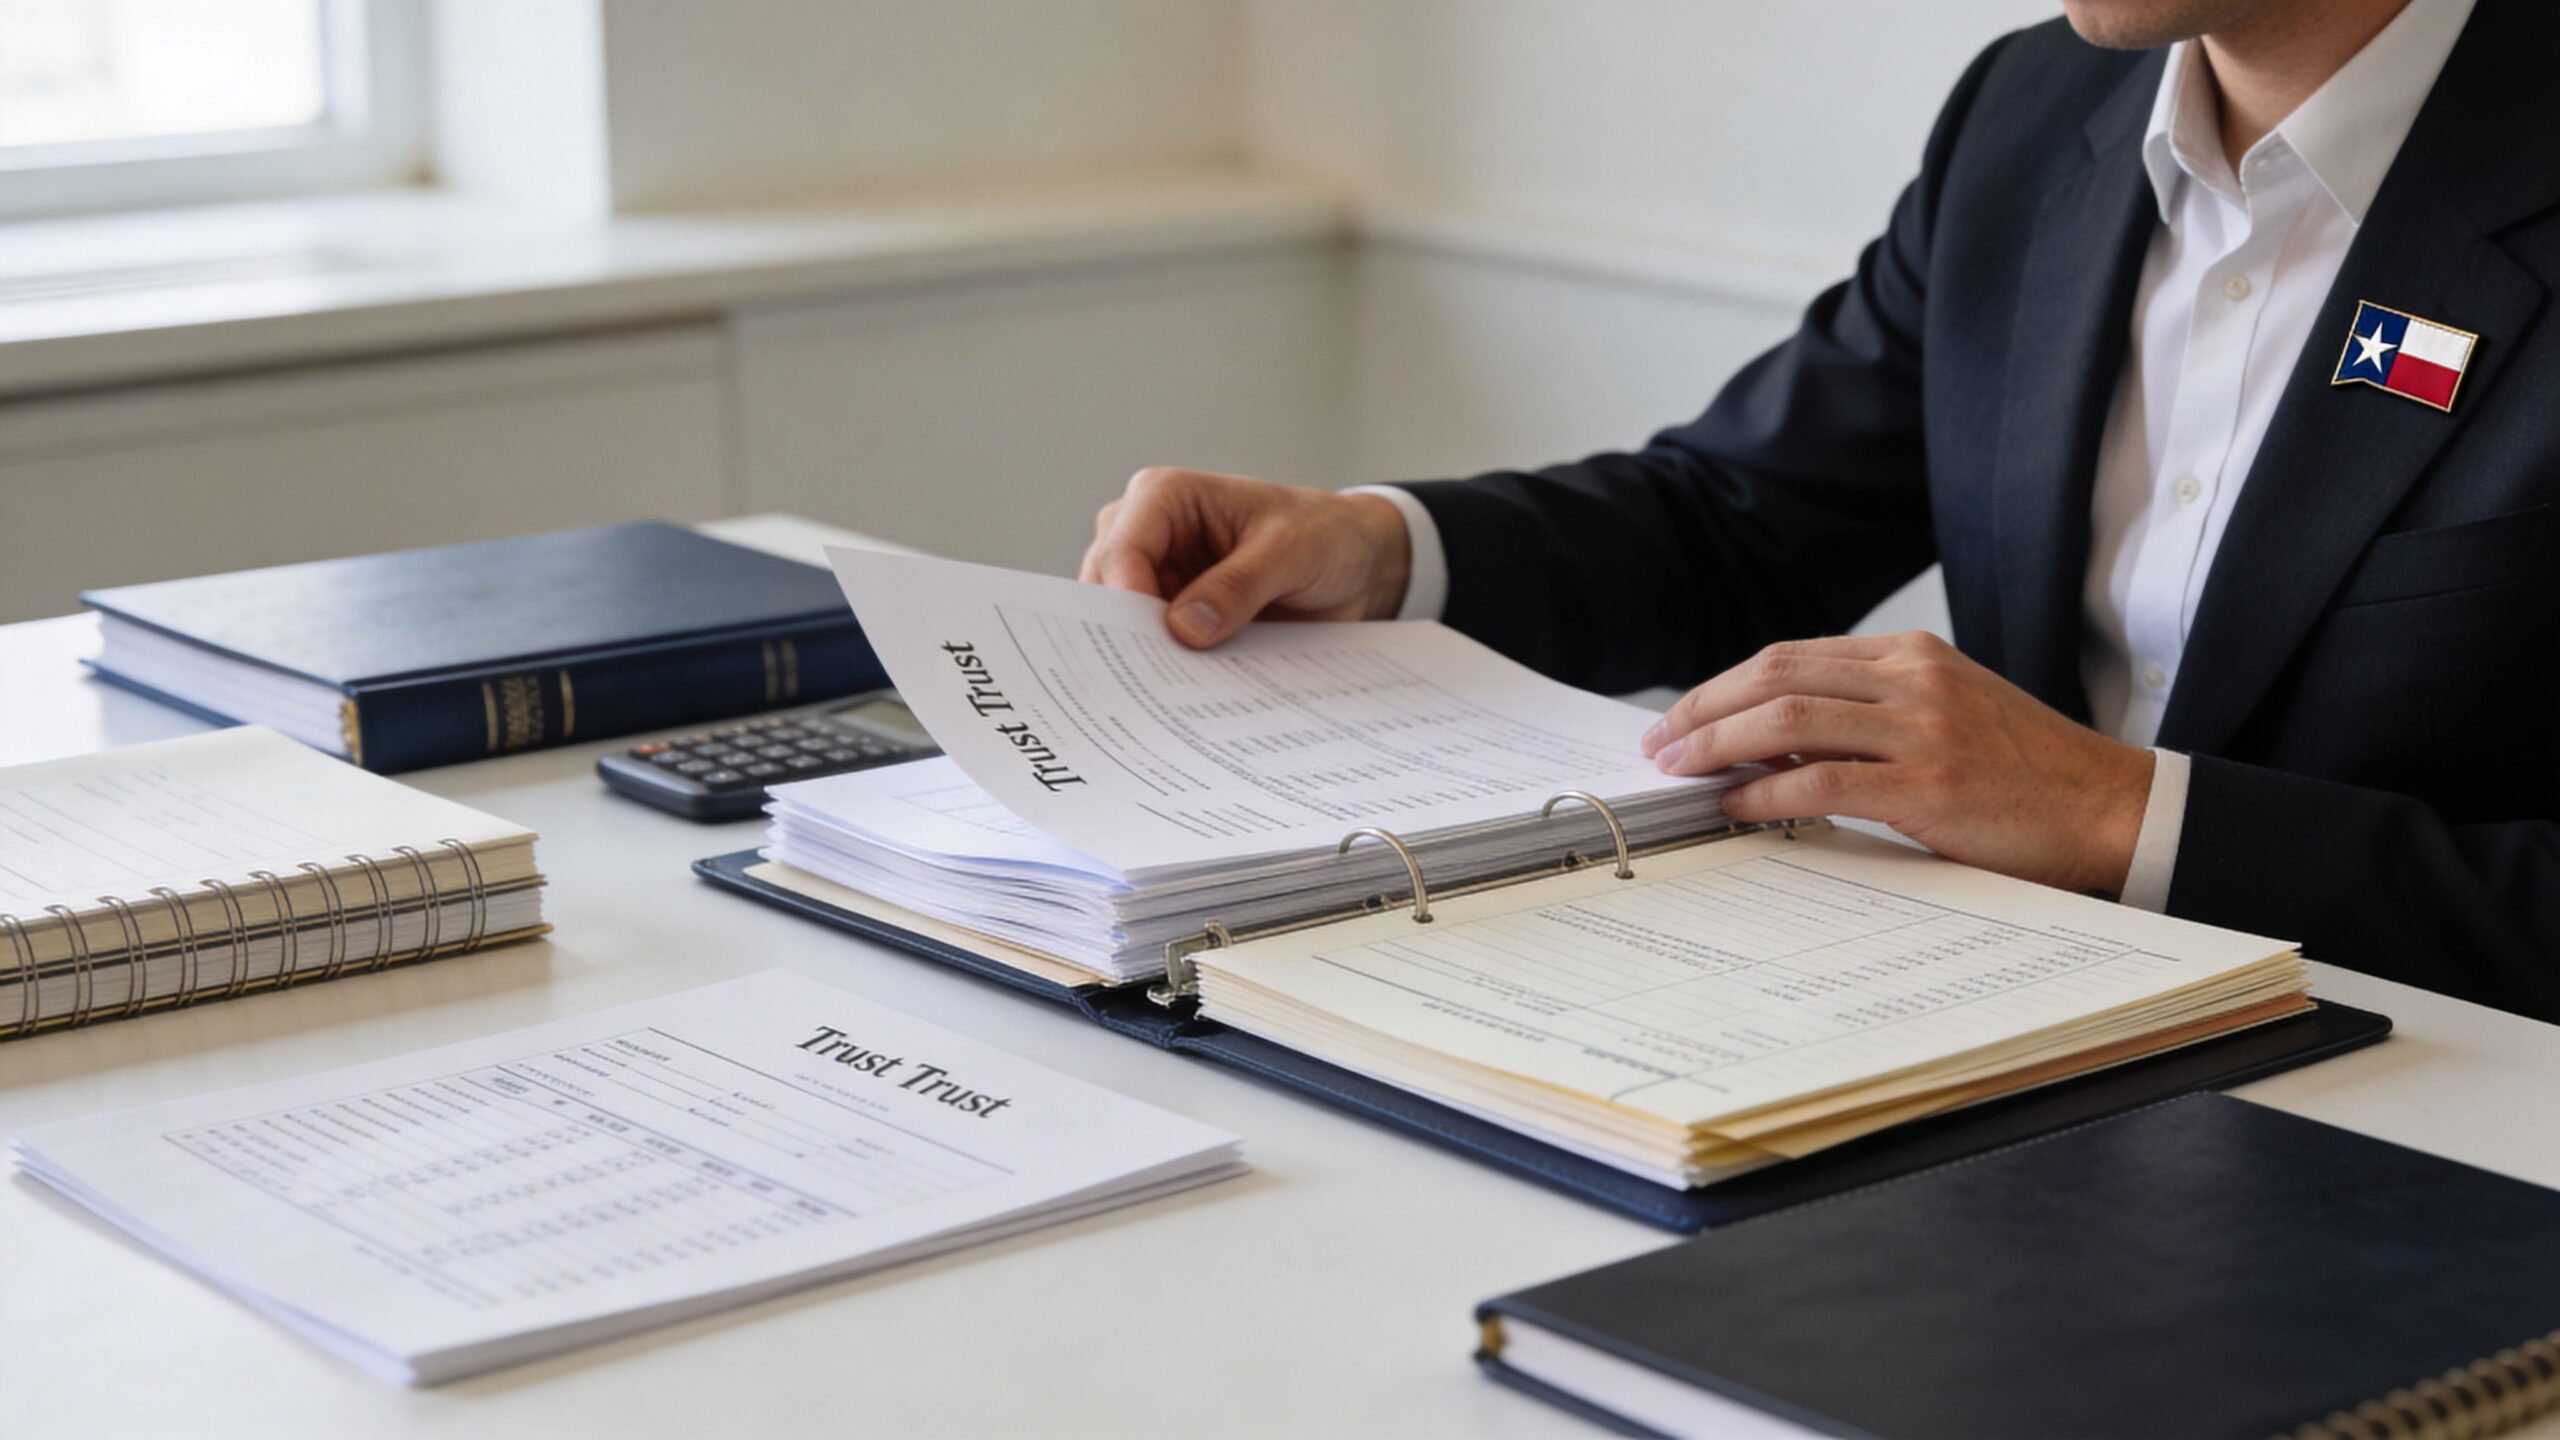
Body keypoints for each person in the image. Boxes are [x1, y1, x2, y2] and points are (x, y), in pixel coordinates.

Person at [1080, 0, 2560, 1020]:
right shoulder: (2035, 114)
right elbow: (1739, 515)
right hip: (1992, 1043)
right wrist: (1384, 549)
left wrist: (2110, 812)